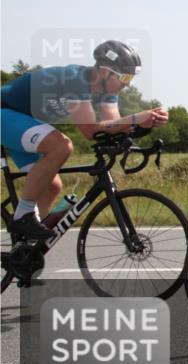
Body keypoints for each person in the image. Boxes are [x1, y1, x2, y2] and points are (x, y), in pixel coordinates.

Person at [1, 40, 168, 240]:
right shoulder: (75, 80)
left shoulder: (107, 93)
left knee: (51, 185)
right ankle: (22, 218)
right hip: (6, 113)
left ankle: (28, 248)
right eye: (125, 76)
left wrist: (144, 125)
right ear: (105, 72)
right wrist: (136, 118)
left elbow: (110, 127)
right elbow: (90, 131)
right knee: (61, 146)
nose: (128, 83)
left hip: (23, 122)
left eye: (131, 77)